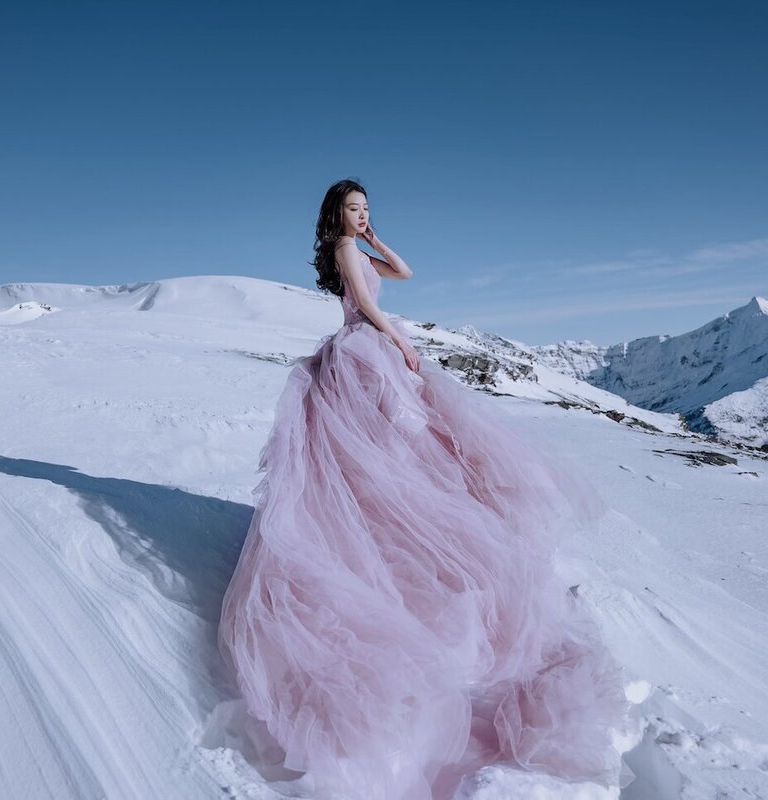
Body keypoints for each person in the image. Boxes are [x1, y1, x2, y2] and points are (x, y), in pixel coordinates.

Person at [216, 178, 632, 799]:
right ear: (335, 213)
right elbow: (366, 300)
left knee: (392, 456)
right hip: (364, 350)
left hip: (370, 347)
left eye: (367, 209)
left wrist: (379, 237)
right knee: (383, 450)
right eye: (353, 210)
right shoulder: (342, 252)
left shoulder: (360, 244)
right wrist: (398, 339)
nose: (361, 218)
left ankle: (385, 531)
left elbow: (405, 274)